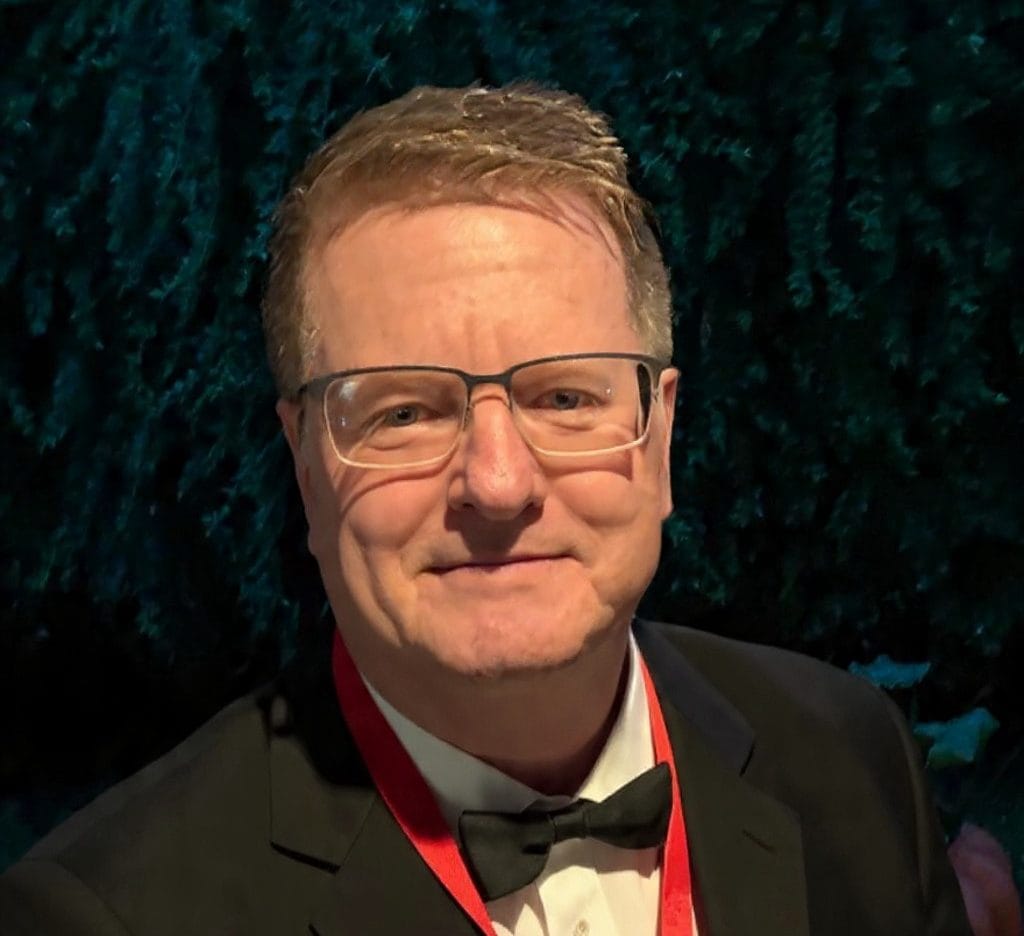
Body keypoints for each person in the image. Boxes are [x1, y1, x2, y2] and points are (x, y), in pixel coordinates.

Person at [0, 83, 981, 935]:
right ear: (305, 465)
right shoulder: (108, 915)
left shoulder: (852, 759)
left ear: (659, 440)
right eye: (404, 413)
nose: (499, 485)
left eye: (566, 397)